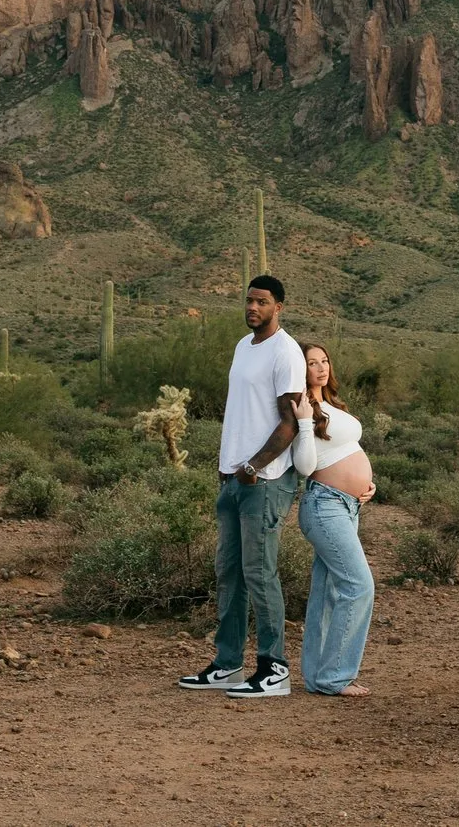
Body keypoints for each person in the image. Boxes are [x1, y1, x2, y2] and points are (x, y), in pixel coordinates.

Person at [177, 273, 304, 700]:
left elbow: (289, 423)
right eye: (249, 300)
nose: (252, 307)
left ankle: (274, 669)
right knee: (229, 572)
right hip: (233, 476)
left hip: (264, 479)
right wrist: (229, 466)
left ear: (278, 307)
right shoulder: (242, 346)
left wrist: (254, 465)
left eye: (262, 302)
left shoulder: (286, 352)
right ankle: (228, 664)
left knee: (259, 573)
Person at [289, 342, 375, 697]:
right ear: (300, 368)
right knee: (359, 585)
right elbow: (306, 466)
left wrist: (366, 485)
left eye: (324, 361)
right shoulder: (301, 407)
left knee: (327, 593)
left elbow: (346, 450)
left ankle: (317, 677)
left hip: (348, 505)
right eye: (312, 363)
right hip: (324, 506)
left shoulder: (332, 405)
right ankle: (336, 677)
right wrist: (304, 422)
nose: (321, 368)